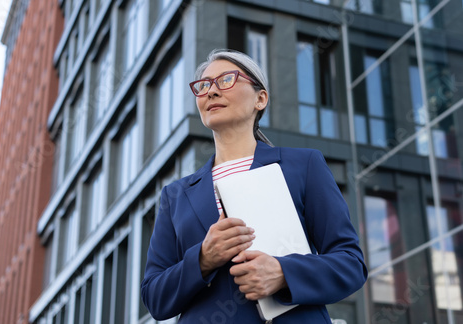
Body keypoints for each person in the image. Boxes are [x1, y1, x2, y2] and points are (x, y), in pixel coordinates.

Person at [141, 49, 367, 323]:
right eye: (203, 86)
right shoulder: (175, 195)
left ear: (260, 99)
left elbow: (350, 264)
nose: (211, 92)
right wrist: (202, 259)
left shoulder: (303, 166)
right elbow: (154, 296)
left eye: (226, 80)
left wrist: (283, 273)